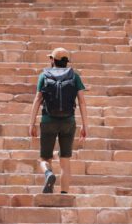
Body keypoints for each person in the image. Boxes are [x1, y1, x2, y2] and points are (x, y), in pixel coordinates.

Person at [29, 47, 88, 194]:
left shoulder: (44, 76)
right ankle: (64, 195)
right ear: (66, 62)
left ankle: (48, 174)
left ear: (52, 60)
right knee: (65, 162)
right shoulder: (75, 77)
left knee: (44, 158)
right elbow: (82, 102)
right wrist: (85, 125)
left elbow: (37, 99)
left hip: (48, 120)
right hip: (68, 122)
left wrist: (31, 123)